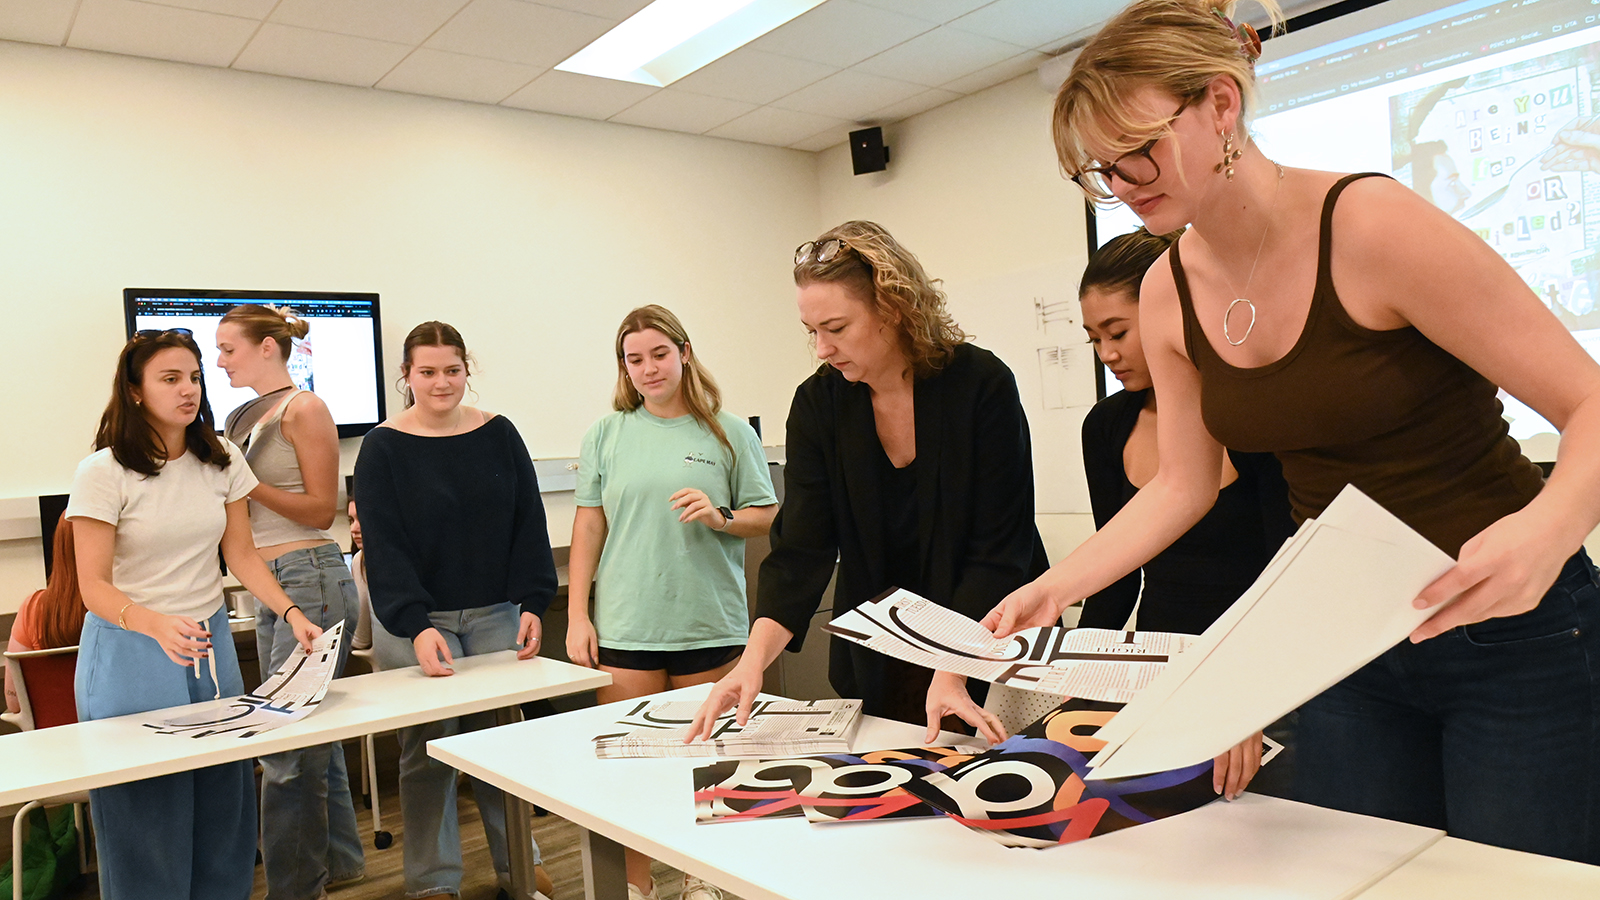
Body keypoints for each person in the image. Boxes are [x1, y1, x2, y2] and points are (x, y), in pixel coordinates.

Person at [986, 0, 1600, 861]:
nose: (1125, 185)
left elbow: (1589, 401)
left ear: (1221, 105)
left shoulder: (1369, 226)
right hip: (1345, 638)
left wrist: (1549, 526)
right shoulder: (1166, 291)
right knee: (1353, 873)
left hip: (1510, 629)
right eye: (1103, 170)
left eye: (1142, 150)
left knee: (1515, 879)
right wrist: (1058, 588)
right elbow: (1183, 483)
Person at [690, 220, 1050, 745]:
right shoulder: (820, 405)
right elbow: (801, 550)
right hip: (883, 654)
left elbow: (1000, 550)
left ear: (895, 309)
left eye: (836, 328)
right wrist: (751, 664)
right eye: (811, 331)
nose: (821, 348)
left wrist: (949, 669)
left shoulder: (980, 386)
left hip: (987, 638)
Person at [67, 328, 321, 900]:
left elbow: (241, 555)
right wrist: (154, 623)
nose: (189, 390)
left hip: (208, 645)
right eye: (170, 378)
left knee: (223, 804)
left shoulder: (221, 458)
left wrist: (290, 612)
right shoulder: (103, 472)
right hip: (131, 645)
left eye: (195, 377)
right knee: (146, 812)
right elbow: (93, 586)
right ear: (134, 392)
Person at [566, 305, 778, 900]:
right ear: (624, 367)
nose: (648, 368)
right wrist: (579, 614)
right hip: (627, 626)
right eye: (635, 359)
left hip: (706, 621)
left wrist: (721, 517)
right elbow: (589, 529)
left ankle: (701, 880)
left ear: (684, 353)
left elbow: (764, 516)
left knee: (705, 766)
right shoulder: (607, 433)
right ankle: (637, 885)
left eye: (659, 354)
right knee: (632, 770)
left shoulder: (729, 432)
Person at [353, 321, 557, 900]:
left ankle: (523, 867)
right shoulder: (382, 447)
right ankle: (432, 884)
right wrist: (415, 625)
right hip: (416, 625)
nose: (441, 383)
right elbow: (384, 547)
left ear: (467, 370)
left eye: (452, 370)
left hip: (497, 613)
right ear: (406, 376)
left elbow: (528, 522)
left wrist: (534, 602)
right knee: (426, 755)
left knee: (501, 746)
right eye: (427, 372)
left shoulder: (499, 433)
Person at [1076, 228, 1295, 635]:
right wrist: (1067, 670)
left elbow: (1286, 570)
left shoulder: (1250, 413)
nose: (1107, 354)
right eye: (1094, 339)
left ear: (1171, 312)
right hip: (1156, 651)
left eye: (1118, 332)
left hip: (1252, 644)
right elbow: (1115, 574)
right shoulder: (1105, 426)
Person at [217, 303, 365, 899]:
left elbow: (319, 508)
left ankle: (296, 888)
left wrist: (247, 482)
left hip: (312, 574)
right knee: (306, 735)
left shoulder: (305, 408)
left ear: (268, 349)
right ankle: (341, 862)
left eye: (229, 349)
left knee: (285, 747)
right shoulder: (238, 415)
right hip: (271, 583)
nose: (219, 360)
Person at [5, 514, 87, 714]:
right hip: (121, 736)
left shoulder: (33, 609)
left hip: (53, 741)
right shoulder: (130, 609)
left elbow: (14, 703)